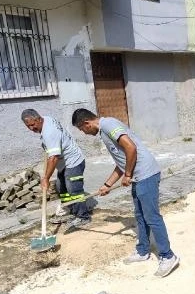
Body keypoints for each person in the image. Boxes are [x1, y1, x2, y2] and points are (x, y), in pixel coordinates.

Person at [71, 109, 179, 278]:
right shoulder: (105, 130)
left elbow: (131, 148)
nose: (83, 133)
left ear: (87, 123)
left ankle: (168, 256)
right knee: (140, 215)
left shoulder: (108, 125)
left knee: (152, 216)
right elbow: (122, 162)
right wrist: (107, 184)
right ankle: (143, 250)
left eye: (81, 129)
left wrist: (128, 174)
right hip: (138, 177)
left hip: (146, 174)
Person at [21, 109, 91, 230]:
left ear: (38, 119)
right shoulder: (46, 119)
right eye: (28, 126)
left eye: (33, 125)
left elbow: (53, 158)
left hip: (73, 161)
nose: (32, 128)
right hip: (63, 163)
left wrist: (46, 178)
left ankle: (83, 216)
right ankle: (71, 210)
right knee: (61, 188)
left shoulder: (49, 132)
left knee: (74, 189)